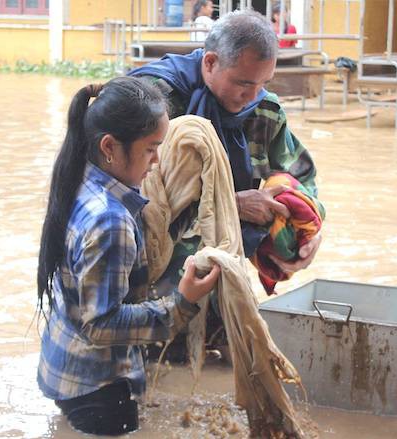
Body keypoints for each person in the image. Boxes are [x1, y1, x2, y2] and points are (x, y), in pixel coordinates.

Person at [129, 10, 323, 359]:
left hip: (222, 274)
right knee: (155, 370)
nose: (252, 95)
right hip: (151, 281)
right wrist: (230, 203)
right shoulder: (153, 102)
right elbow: (128, 198)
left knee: (228, 372)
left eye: (263, 83)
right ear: (210, 62)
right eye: (243, 83)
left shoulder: (265, 113)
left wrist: (307, 228)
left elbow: (302, 178)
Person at [36, 77, 221, 436]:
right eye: (151, 149)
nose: (157, 162)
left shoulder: (77, 180)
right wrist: (182, 302)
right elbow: (101, 325)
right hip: (98, 387)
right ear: (110, 147)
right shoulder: (111, 221)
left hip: (64, 368)